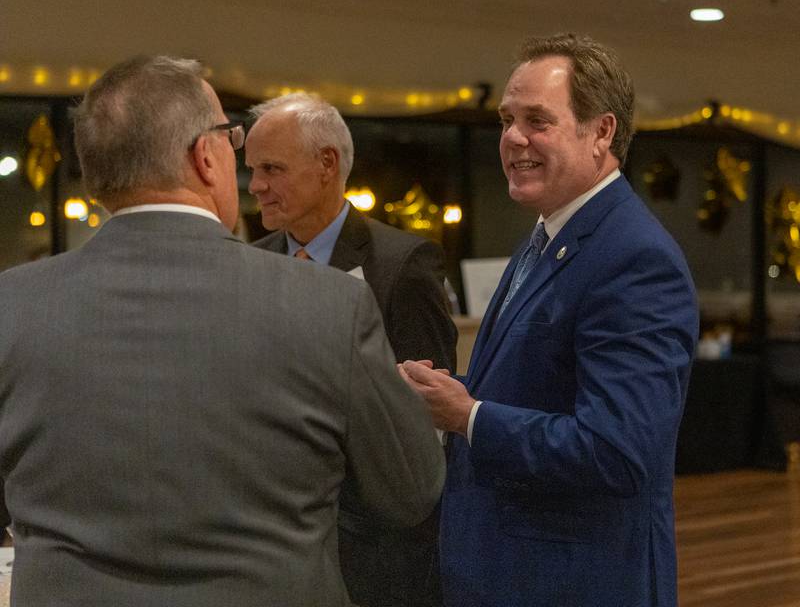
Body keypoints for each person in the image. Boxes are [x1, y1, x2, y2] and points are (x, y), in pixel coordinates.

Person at [0, 56, 445, 607]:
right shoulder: (328, 303)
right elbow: (410, 490)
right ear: (204, 157)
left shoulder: (11, 307)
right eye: (232, 143)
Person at [399, 33, 699, 607]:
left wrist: (470, 416)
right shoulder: (546, 235)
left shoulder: (634, 258)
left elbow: (618, 451)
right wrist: (446, 394)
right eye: (507, 119)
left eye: (537, 120)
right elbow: (541, 390)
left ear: (602, 132)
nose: (513, 138)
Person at [245, 93, 457, 607]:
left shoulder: (402, 264)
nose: (256, 187)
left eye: (271, 168)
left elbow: (425, 428)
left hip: (372, 549)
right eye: (252, 170)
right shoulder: (250, 265)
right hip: (269, 542)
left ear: (327, 165)